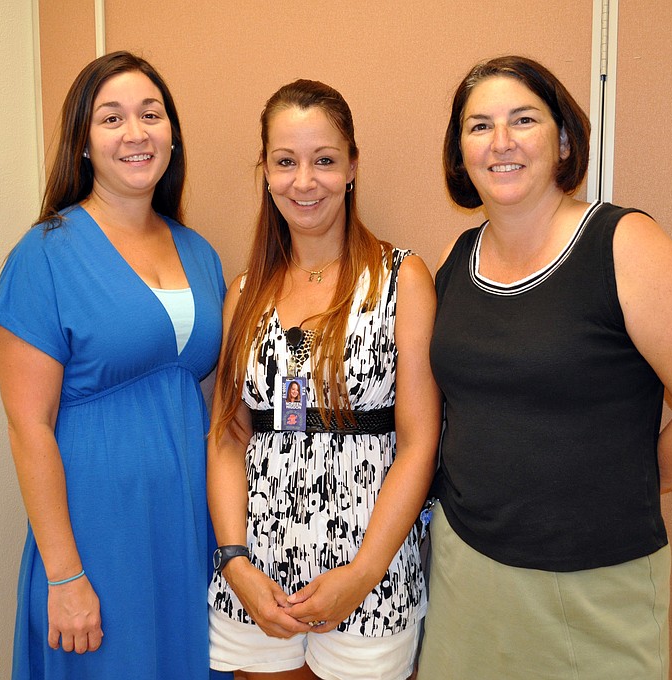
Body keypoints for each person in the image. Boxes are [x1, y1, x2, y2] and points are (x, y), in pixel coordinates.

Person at [418, 56, 672, 680]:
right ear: (459, 152)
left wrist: (617, 484)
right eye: (479, 125)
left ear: (565, 140)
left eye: (524, 120)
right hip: (465, 567)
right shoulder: (455, 257)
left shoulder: (622, 244)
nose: (501, 142)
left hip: (592, 583)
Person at [0, 51, 226, 679]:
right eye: (111, 118)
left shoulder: (200, 253)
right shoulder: (44, 254)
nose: (135, 133)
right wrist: (65, 575)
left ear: (172, 135)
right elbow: (28, 427)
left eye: (151, 114)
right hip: (95, 536)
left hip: (186, 527)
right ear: (84, 142)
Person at [206, 80, 440, 680]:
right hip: (258, 580)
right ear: (265, 171)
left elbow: (419, 444)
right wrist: (235, 563)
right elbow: (228, 436)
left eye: (325, 160)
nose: (304, 181)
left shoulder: (402, 278)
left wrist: (362, 575)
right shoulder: (243, 292)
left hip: (369, 578)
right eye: (285, 161)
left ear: (353, 166)